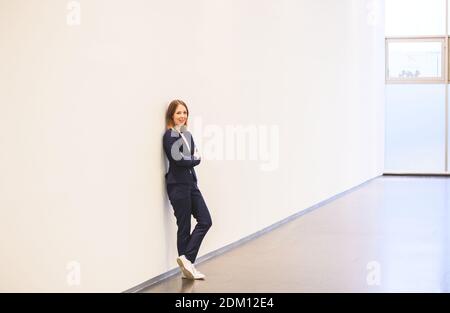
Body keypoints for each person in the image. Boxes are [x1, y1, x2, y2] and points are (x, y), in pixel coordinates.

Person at [163, 99, 212, 280]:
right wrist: (193, 159)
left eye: (184, 113)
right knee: (184, 226)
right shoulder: (169, 136)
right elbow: (180, 160)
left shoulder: (187, 134)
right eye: (178, 113)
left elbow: (195, 155)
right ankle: (188, 268)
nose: (182, 116)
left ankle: (187, 261)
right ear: (171, 115)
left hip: (191, 183)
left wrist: (192, 158)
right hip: (177, 185)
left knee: (205, 220)